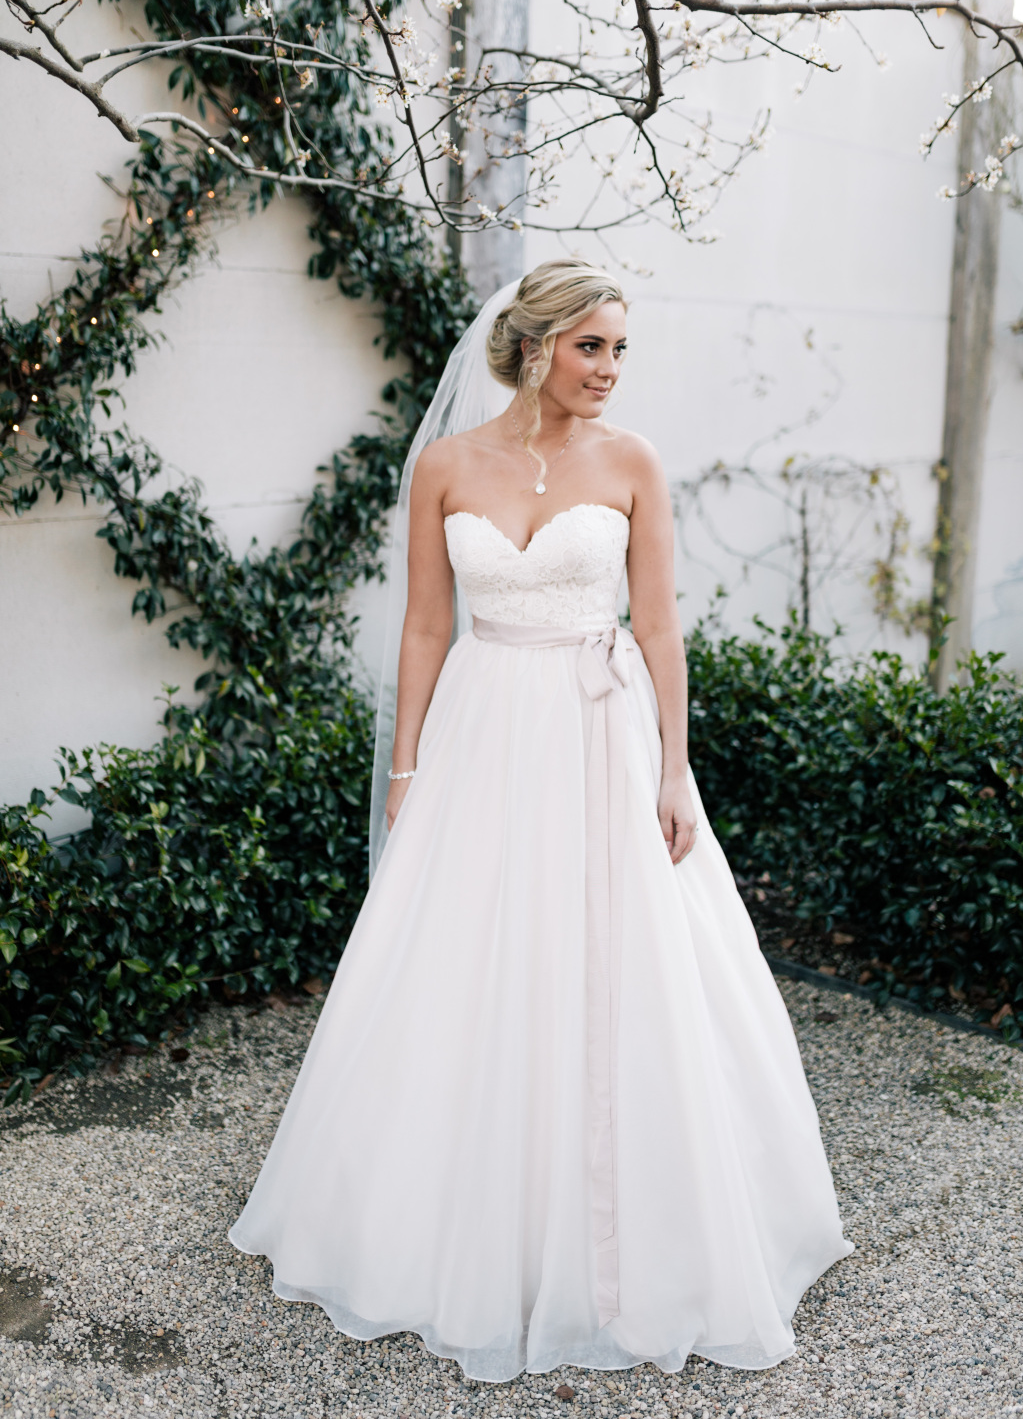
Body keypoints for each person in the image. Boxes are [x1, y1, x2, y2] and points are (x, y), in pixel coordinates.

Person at [229, 259, 851, 1383]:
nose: (609, 369)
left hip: (598, 731)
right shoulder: (445, 466)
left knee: (623, 965)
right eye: (590, 346)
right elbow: (426, 627)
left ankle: (639, 1236)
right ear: (533, 346)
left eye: (619, 348)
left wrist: (675, 770)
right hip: (481, 734)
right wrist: (405, 767)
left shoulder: (632, 461)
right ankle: (454, 1225)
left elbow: (659, 629)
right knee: (467, 958)